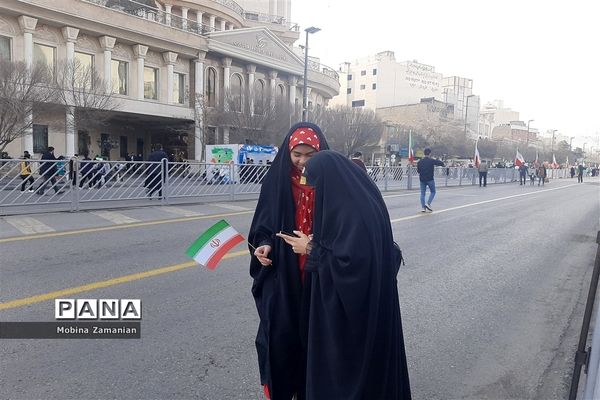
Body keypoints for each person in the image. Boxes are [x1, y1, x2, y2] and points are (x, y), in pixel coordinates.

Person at [276, 151, 411, 399]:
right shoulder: (359, 200)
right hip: (371, 313)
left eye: (315, 188)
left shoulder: (354, 214)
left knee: (349, 376)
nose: (313, 196)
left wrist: (309, 249)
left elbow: (357, 267)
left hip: (357, 324)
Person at [248, 122, 329, 399]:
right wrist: (264, 244)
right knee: (282, 335)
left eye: (310, 155)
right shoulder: (277, 180)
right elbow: (264, 223)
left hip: (319, 271)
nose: (303, 162)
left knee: (318, 337)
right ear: (288, 152)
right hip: (285, 272)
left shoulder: (330, 180)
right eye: (298, 154)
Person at [416, 147, 444, 212]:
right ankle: (428, 203)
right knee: (433, 191)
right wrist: (443, 164)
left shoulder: (420, 162)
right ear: (430, 154)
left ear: (424, 153)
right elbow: (439, 163)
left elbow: (418, 171)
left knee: (422, 193)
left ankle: (423, 208)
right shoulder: (431, 160)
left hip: (422, 179)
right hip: (430, 179)